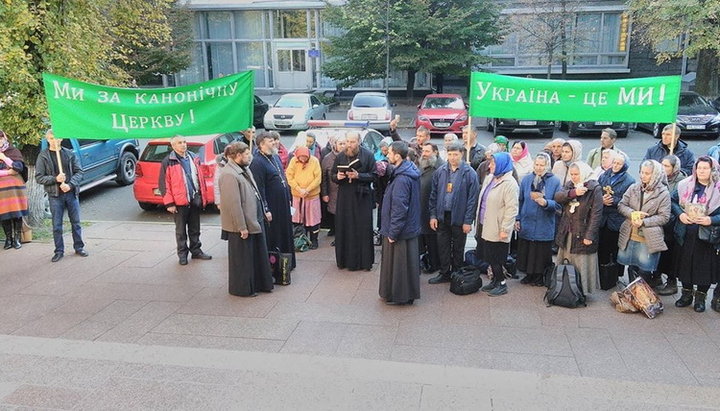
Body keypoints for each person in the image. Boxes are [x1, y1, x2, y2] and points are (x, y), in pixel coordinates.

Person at [218, 142, 274, 297]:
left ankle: (258, 284)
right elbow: (233, 204)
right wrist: (241, 227)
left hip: (253, 220)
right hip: (241, 226)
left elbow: (255, 193)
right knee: (243, 260)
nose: (250, 156)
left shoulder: (244, 169)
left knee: (254, 256)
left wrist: (263, 211)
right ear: (237, 156)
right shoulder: (229, 174)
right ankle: (243, 289)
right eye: (247, 154)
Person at [672, 156, 720, 313]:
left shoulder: (718, 189)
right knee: (685, 265)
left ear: (712, 170)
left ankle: (700, 298)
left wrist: (711, 219)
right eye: (699, 168)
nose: (702, 171)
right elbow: (672, 201)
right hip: (686, 233)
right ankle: (686, 295)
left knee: (703, 268)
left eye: (705, 168)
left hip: (706, 237)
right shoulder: (685, 185)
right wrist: (680, 214)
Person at [428, 143, 480, 284]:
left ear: (461, 154)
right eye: (450, 154)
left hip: (459, 217)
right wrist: (433, 215)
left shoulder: (470, 174)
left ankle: (457, 273)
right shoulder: (440, 171)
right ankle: (445, 272)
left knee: (458, 247)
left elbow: (472, 200)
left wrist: (468, 221)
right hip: (442, 215)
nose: (452, 157)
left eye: (455, 154)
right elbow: (433, 195)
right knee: (443, 246)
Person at [35, 130, 88, 262]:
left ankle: (79, 247)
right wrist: (55, 179)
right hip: (55, 195)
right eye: (51, 138)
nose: (54, 141)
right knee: (57, 225)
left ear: (61, 139)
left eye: (57, 138)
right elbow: (39, 177)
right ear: (47, 139)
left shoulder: (69, 154)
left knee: (75, 222)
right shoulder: (43, 156)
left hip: (70, 193)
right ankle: (59, 250)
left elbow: (79, 172)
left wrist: (70, 185)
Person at [379, 141, 422, 305]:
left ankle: (399, 295)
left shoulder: (402, 179)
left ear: (397, 156)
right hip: (408, 228)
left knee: (398, 266)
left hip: (400, 230)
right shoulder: (407, 172)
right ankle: (406, 294)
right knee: (406, 266)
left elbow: (399, 207)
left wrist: (393, 232)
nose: (387, 155)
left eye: (389, 153)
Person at [158, 135, 212, 265]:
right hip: (179, 202)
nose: (183, 145)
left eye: (184, 142)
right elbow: (164, 184)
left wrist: (202, 196)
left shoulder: (193, 157)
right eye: (180, 143)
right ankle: (182, 254)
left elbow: (200, 178)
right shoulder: (168, 161)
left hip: (194, 198)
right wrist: (169, 203)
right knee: (181, 231)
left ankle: (196, 251)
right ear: (173, 146)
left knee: (195, 228)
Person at [616, 160, 671, 285]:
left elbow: (664, 217)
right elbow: (621, 205)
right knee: (631, 266)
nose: (642, 175)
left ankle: (643, 298)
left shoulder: (663, 193)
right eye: (641, 172)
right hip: (630, 235)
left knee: (645, 270)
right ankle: (632, 294)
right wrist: (632, 214)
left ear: (655, 174)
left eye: (647, 173)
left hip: (648, 238)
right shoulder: (634, 187)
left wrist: (644, 222)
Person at [554, 162, 603, 295]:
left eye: (577, 174)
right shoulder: (570, 185)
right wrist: (573, 193)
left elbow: (596, 214)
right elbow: (558, 197)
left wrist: (589, 236)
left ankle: (581, 290)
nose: (574, 177)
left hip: (583, 231)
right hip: (568, 230)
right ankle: (565, 287)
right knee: (567, 259)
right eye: (572, 174)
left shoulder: (594, 188)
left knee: (582, 262)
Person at [250, 132, 296, 269]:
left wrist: (288, 198)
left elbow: (283, 178)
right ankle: (276, 265)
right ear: (261, 145)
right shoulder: (257, 162)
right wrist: (266, 209)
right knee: (275, 235)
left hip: (283, 203)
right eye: (270, 141)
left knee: (285, 232)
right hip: (272, 205)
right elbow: (260, 188)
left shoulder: (275, 156)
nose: (274, 143)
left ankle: (287, 262)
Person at [332, 131, 377, 271]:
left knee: (362, 228)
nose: (349, 145)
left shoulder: (368, 155)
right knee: (345, 227)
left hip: (361, 197)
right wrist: (337, 177)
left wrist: (359, 175)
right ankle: (344, 261)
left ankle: (364, 262)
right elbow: (332, 175)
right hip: (345, 197)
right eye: (347, 142)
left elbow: (374, 175)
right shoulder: (340, 156)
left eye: (352, 142)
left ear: (359, 142)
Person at [477, 152, 519, 296]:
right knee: (489, 255)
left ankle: (501, 283)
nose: (490, 166)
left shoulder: (510, 184)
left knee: (497, 258)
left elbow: (511, 209)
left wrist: (505, 229)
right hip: (486, 224)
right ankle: (495, 280)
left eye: (493, 163)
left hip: (498, 227)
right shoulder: (490, 178)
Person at [516, 153, 561, 286]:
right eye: (537, 165)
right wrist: (518, 218)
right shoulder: (526, 180)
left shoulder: (555, 181)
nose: (539, 168)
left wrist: (546, 203)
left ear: (547, 166)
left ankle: (539, 277)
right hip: (527, 222)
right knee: (527, 250)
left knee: (540, 252)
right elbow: (520, 200)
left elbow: (558, 204)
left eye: (542, 165)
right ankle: (528, 275)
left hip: (544, 223)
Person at [596, 151, 635, 284]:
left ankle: (614, 276)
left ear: (625, 165)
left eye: (619, 163)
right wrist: (601, 199)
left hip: (616, 219)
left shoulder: (629, 181)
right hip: (602, 218)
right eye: (614, 162)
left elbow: (628, 200)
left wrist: (612, 201)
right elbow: (597, 190)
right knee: (602, 246)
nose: (616, 165)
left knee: (615, 247)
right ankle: (601, 273)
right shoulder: (604, 175)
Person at [655, 155, 686, 295]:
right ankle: (656, 277)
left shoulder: (681, 182)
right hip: (658, 222)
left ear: (675, 168)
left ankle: (672, 282)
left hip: (672, 224)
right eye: (662, 164)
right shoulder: (658, 178)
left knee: (670, 254)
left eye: (667, 166)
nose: (663, 168)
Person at [286, 146, 322, 249]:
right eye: (301, 157)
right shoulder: (293, 161)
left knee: (313, 219)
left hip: (311, 195)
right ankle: (301, 239)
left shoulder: (314, 161)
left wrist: (308, 189)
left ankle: (314, 240)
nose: (303, 159)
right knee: (298, 219)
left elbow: (318, 178)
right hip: (298, 195)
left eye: (305, 157)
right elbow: (289, 176)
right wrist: (298, 188)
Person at [0, 130, 28, 250]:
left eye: (0, 138)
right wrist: (7, 172)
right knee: (4, 214)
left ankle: (17, 239)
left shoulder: (13, 151)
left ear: (4, 137)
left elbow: (18, 167)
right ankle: (8, 239)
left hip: (16, 188)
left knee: (17, 213)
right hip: (2, 189)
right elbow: (12, 170)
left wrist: (4, 158)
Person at [418, 143, 443, 273]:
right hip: (421, 210)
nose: (424, 154)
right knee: (424, 238)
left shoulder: (440, 168)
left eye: (427, 151)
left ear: (435, 152)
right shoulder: (423, 166)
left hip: (433, 212)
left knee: (433, 240)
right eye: (423, 151)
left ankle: (435, 265)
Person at [321, 136, 346, 238]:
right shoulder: (327, 159)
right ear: (334, 145)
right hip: (333, 191)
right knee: (334, 212)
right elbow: (324, 178)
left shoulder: (350, 156)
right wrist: (325, 193)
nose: (343, 146)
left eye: (344, 144)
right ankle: (335, 231)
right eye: (340, 144)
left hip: (346, 191)